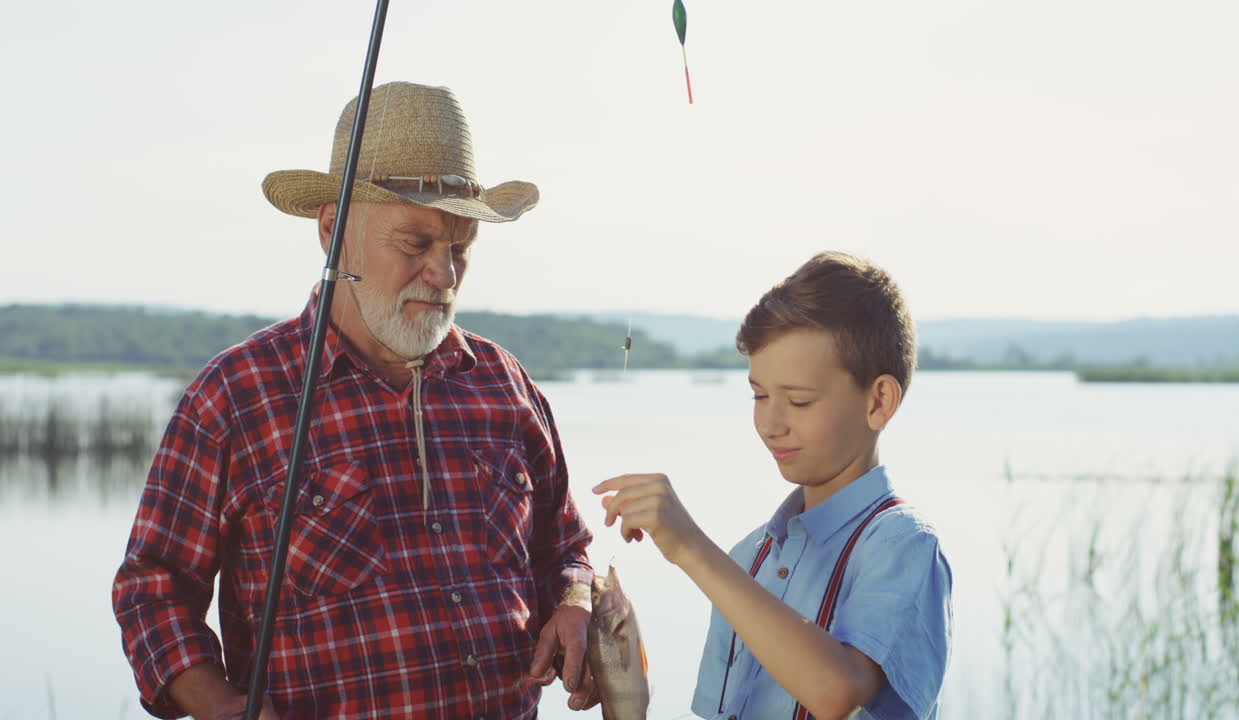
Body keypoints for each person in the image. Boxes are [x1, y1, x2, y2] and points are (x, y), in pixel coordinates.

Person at [112, 82, 599, 719]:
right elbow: (152, 589)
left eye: (460, 248)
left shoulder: (505, 385)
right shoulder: (237, 395)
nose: (444, 273)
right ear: (333, 230)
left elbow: (566, 551)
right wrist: (224, 708)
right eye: (416, 243)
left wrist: (575, 604)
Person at [594, 251, 953, 719]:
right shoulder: (749, 557)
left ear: (879, 401)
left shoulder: (903, 546)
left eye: (799, 401)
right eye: (759, 395)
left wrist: (690, 549)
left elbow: (837, 693)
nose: (770, 423)